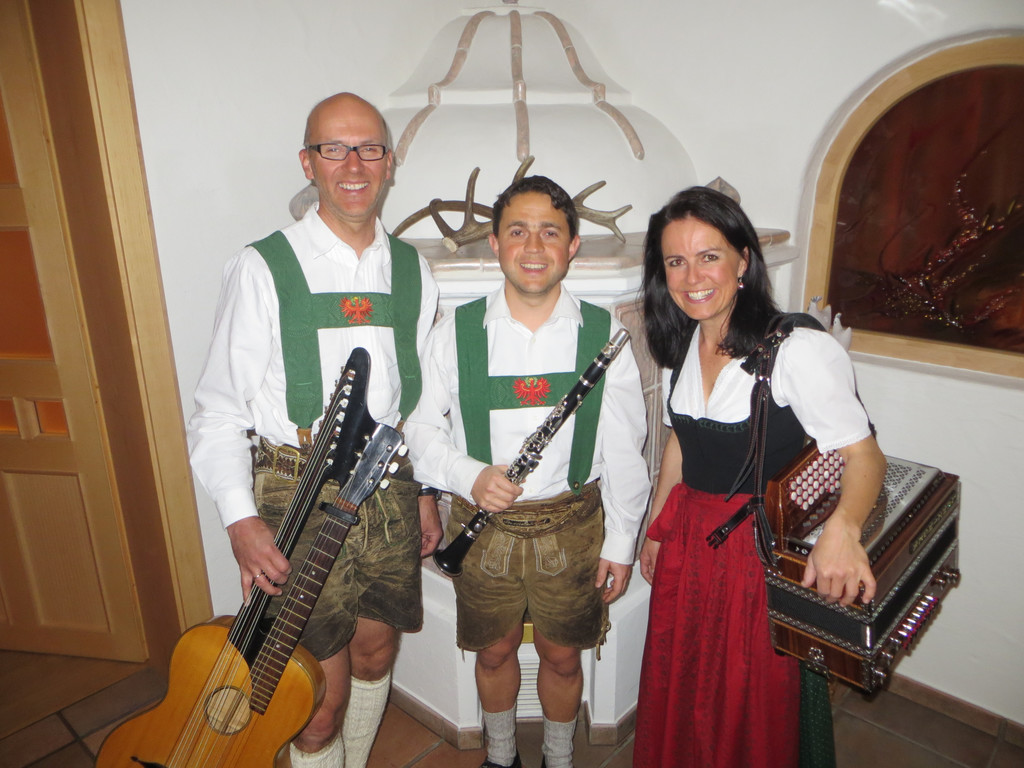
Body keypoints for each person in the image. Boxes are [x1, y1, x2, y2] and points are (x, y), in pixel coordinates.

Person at [187, 92, 442, 768]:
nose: (353, 165)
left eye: (369, 148)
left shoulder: (414, 271)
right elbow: (217, 410)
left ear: (390, 162)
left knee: (376, 652)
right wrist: (241, 521)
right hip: (294, 495)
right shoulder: (262, 267)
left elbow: (416, 402)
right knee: (314, 699)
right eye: (334, 148)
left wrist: (424, 492)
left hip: (387, 491)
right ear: (308, 162)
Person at [631, 186, 886, 767]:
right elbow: (680, 440)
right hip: (690, 542)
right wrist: (656, 527)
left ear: (743, 260)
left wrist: (844, 529)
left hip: (756, 553)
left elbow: (865, 457)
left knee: (748, 696)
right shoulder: (686, 339)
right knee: (684, 681)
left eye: (709, 256)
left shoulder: (797, 349)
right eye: (676, 261)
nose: (692, 277)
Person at [404, 176, 651, 768]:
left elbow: (626, 450)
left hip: (573, 526)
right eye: (517, 231)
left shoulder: (605, 336)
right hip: (482, 528)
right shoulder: (453, 333)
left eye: (550, 232)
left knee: (564, 658)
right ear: (495, 243)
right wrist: (468, 474)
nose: (533, 247)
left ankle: (558, 759)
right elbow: (419, 430)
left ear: (572, 246)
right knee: (493, 653)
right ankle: (501, 756)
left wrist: (620, 543)